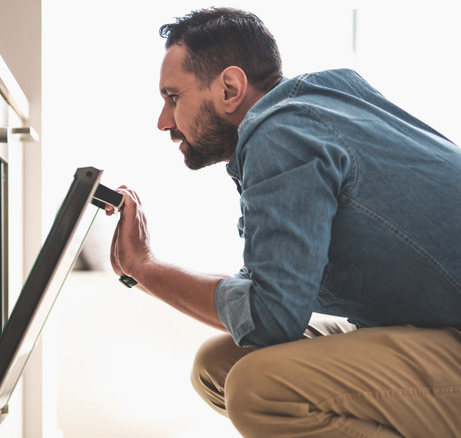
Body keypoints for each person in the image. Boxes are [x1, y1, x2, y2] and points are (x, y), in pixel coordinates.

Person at [106, 7, 461, 437]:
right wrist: (145, 270)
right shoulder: (320, 103)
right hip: (434, 326)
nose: (163, 121)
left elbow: (272, 317)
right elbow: (272, 292)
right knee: (217, 366)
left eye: (173, 97)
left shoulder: (281, 135)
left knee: (258, 388)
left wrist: (145, 265)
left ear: (230, 88)